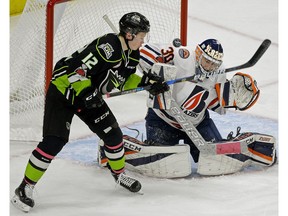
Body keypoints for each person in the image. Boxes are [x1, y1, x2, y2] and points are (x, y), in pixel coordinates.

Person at [11, 12, 169, 212]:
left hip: (88, 95)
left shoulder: (132, 55)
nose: (142, 40)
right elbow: (75, 70)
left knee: (113, 136)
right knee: (54, 141)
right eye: (141, 36)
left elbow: (123, 80)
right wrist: (87, 92)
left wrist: (146, 83)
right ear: (129, 34)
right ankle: (24, 188)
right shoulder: (108, 46)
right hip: (63, 89)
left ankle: (119, 176)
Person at [138, 38, 260, 163]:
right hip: (163, 120)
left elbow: (216, 103)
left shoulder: (219, 72)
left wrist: (236, 98)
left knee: (218, 160)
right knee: (160, 162)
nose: (209, 67)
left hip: (196, 125)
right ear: (198, 53)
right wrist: (154, 74)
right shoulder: (183, 56)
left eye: (214, 64)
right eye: (207, 61)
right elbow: (144, 50)